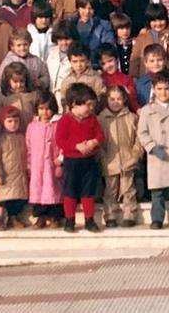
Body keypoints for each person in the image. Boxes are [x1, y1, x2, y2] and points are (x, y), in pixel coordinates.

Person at [137, 71, 169, 229]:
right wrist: (152, 147)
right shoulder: (147, 110)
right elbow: (142, 132)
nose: (163, 92)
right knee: (157, 191)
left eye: (166, 88)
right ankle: (157, 219)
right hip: (157, 155)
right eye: (159, 89)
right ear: (154, 89)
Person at [56, 83, 105, 232]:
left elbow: (100, 135)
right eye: (88, 105)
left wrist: (94, 142)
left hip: (88, 161)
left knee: (88, 191)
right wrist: (76, 146)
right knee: (70, 191)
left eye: (92, 105)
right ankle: (69, 220)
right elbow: (60, 140)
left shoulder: (92, 120)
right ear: (74, 105)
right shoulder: (64, 120)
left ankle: (89, 220)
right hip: (72, 161)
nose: (91, 109)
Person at [97, 86, 143, 228]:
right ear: (107, 100)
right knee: (110, 190)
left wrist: (135, 155)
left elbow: (139, 139)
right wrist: (102, 158)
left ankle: (130, 214)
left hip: (128, 159)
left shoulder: (132, 117)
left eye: (119, 99)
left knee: (128, 188)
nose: (115, 102)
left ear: (124, 100)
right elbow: (98, 141)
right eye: (112, 99)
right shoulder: (101, 119)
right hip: (109, 159)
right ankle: (110, 215)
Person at [25, 91, 63, 229]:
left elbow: (63, 143)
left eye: (48, 109)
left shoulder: (58, 124)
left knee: (53, 189)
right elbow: (28, 146)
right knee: (38, 189)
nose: (45, 112)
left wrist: (61, 158)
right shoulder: (32, 126)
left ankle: (54, 217)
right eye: (41, 109)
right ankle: (40, 217)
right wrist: (29, 165)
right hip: (37, 165)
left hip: (53, 163)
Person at [0, 105, 29, 230]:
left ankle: (13, 218)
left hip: (19, 174)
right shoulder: (0, 139)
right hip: (5, 175)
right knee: (1, 199)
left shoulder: (22, 137)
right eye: (9, 121)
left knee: (17, 199)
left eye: (16, 121)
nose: (13, 124)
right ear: (3, 122)